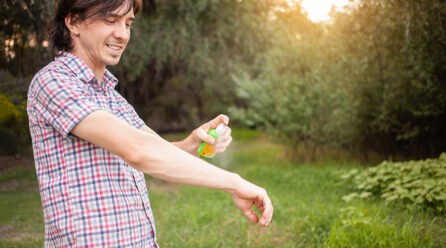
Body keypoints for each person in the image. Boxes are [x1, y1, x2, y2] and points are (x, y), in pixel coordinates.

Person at [26, 0, 273, 247]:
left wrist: (192, 142)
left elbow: (155, 150)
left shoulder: (112, 98)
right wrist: (234, 183)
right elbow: (139, 151)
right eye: (110, 21)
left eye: (128, 23)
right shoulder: (53, 82)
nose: (122, 34)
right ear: (74, 22)